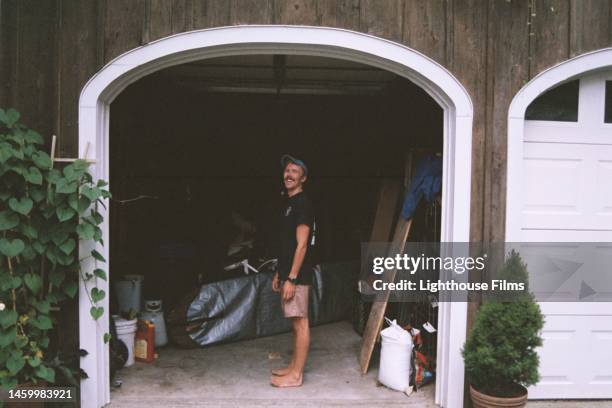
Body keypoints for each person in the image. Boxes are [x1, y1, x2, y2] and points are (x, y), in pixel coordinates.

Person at [271, 154, 316, 388]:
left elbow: (302, 244)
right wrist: (280, 272)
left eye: (294, 172)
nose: (289, 174)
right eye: (287, 170)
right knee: (295, 322)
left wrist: (291, 277)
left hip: (298, 275)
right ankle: (293, 367)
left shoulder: (302, 204)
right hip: (289, 273)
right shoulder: (288, 203)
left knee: (301, 322)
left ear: (303, 178)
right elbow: (287, 244)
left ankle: (296, 375)